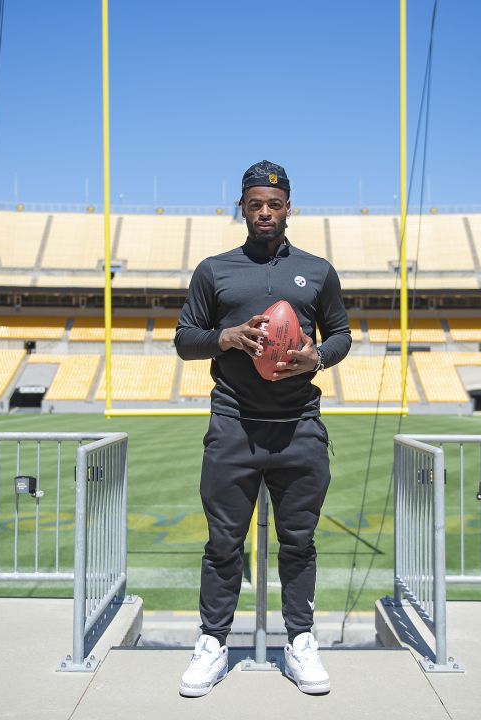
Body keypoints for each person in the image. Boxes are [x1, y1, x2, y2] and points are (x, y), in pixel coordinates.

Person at [173, 160, 351, 697]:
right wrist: (224, 338)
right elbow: (184, 339)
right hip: (234, 424)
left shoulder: (318, 271)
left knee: (299, 543)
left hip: (299, 425)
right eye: (255, 204)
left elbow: (342, 335)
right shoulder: (214, 270)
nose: (265, 212)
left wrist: (315, 356)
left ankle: (299, 642)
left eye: (274, 204)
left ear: (288, 207)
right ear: (242, 208)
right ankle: (212, 642)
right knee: (223, 544)